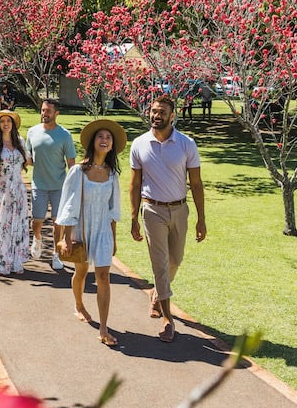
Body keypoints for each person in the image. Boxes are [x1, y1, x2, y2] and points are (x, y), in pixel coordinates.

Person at [129, 95, 207, 342]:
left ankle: (156, 294)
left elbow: (196, 183)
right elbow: (134, 184)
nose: (156, 115)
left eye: (162, 112)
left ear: (172, 116)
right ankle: (167, 319)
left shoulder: (186, 144)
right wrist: (133, 217)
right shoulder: (139, 144)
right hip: (152, 211)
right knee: (160, 265)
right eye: (153, 111)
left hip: (180, 210)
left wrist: (201, 218)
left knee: (176, 260)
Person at [56, 118, 126, 346]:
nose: (104, 140)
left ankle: (104, 329)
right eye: (100, 136)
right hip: (81, 228)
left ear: (112, 144)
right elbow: (68, 204)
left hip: (103, 229)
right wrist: (66, 238)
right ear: (93, 141)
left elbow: (113, 210)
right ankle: (78, 305)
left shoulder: (112, 174)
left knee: (103, 277)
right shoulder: (78, 171)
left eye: (108, 137)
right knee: (82, 271)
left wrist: (114, 239)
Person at [24, 99, 76, 271]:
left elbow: (71, 164)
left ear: (56, 114)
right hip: (38, 184)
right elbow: (28, 158)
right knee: (36, 221)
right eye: (42, 110)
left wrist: (74, 187)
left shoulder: (65, 135)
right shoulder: (32, 132)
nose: (44, 114)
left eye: (48, 111)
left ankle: (56, 254)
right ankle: (37, 239)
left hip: (59, 186)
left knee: (57, 222)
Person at [0, 111, 30, 275]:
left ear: (13, 124)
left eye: (8, 121)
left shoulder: (20, 143)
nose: (6, 124)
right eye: (2, 121)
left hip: (19, 190)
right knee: (2, 226)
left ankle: (16, 261)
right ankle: (1, 262)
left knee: (18, 225)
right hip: (2, 190)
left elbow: (30, 161)